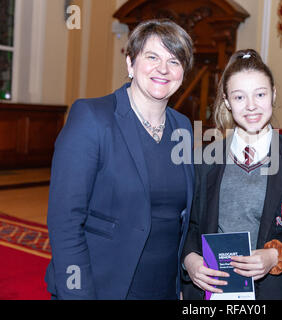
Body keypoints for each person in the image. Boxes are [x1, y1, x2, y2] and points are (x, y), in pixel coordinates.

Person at [45, 19, 195, 300]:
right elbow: (65, 220)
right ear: (130, 63)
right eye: (152, 57)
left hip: (164, 287)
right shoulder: (92, 117)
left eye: (174, 61)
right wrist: (77, 293)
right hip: (103, 287)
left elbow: (184, 217)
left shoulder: (183, 127)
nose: (163, 69)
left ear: (182, 73)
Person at [181, 49, 282, 300]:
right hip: (210, 291)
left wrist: (276, 255)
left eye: (260, 94)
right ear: (226, 101)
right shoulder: (203, 158)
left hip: (272, 292)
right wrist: (189, 260)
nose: (251, 106)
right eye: (239, 97)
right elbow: (189, 226)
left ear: (273, 94)